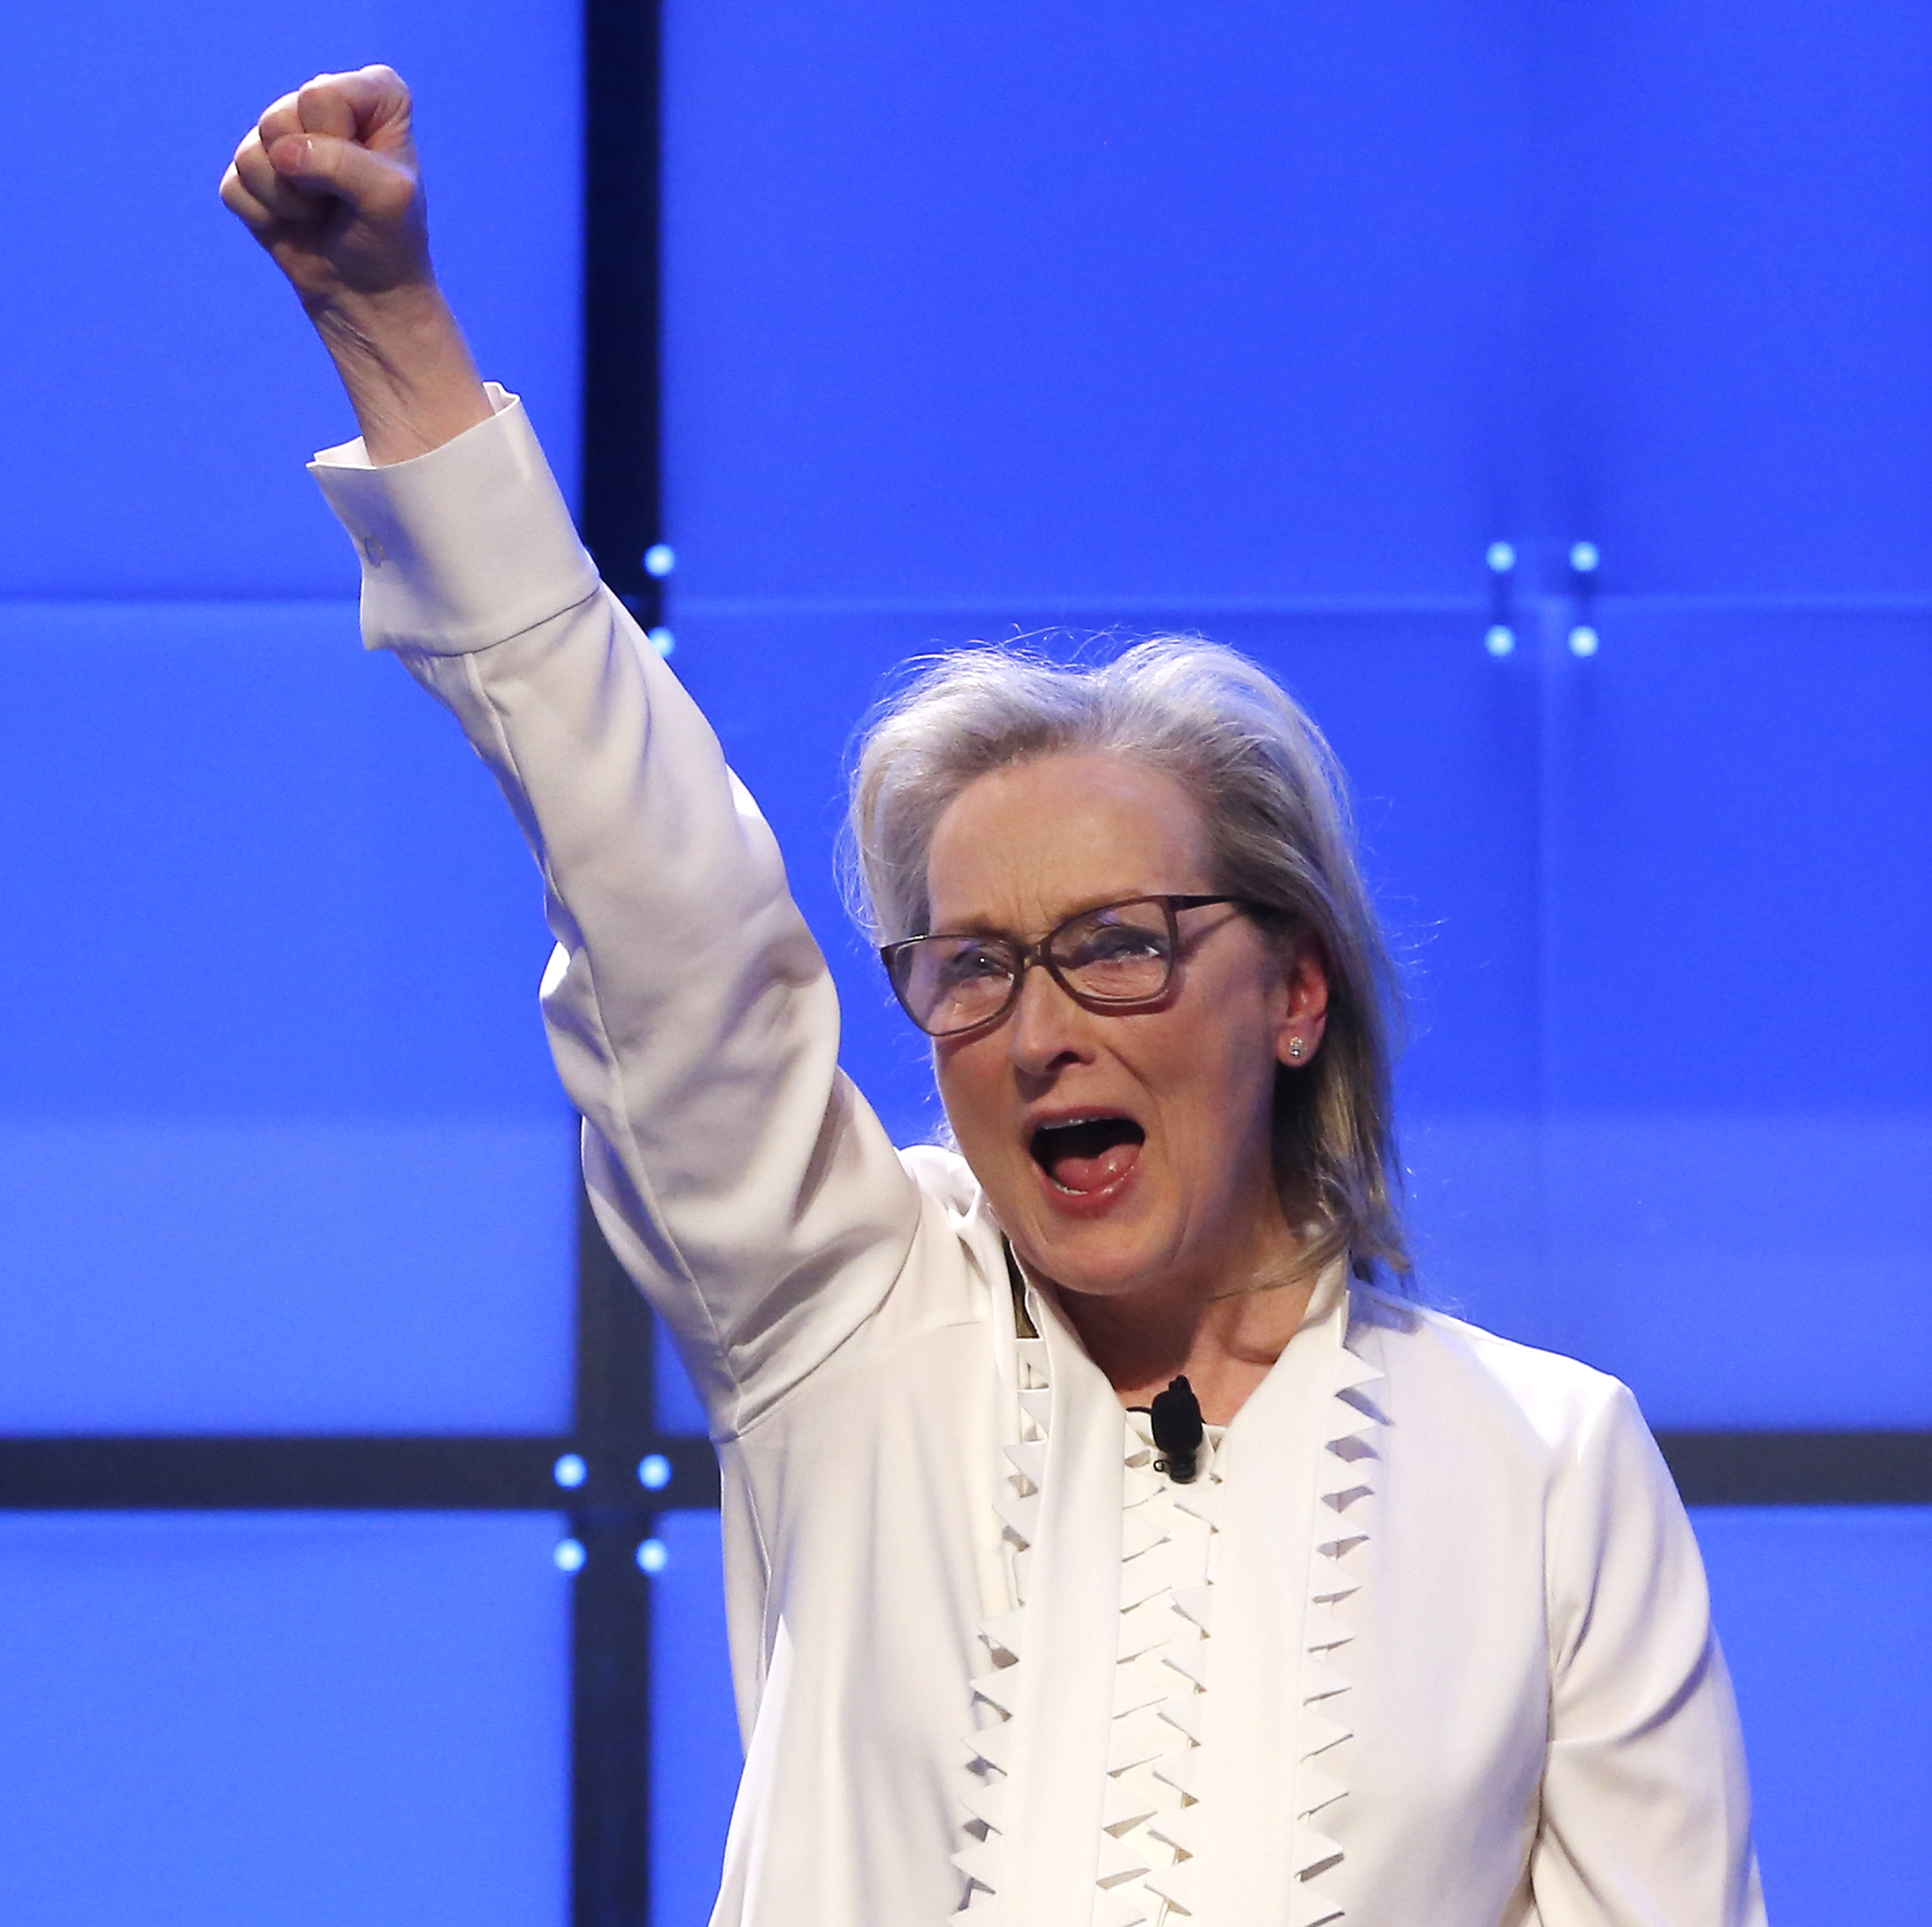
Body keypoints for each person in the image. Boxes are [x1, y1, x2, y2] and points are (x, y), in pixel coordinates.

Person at [222, 65, 1764, 1927]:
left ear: (1293, 991)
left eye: (1117, 944)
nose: (1039, 1032)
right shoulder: (851, 1323)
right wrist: (391, 335)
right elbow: (665, 907)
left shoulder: (1541, 1468)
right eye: (970, 970)